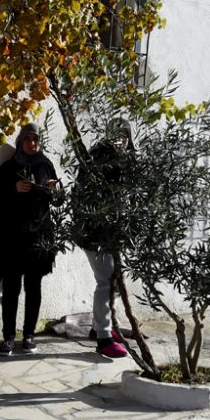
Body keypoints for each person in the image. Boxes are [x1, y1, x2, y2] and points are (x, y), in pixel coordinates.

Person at [0, 122, 62, 356]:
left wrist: (56, 190)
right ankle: (8, 336)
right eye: (28, 139)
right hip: (12, 237)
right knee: (11, 288)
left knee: (34, 286)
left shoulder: (45, 165)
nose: (32, 144)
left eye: (36, 140)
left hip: (38, 237)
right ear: (20, 142)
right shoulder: (8, 168)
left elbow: (57, 201)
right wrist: (13, 189)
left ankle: (29, 334)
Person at [73, 119, 133, 359]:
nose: (121, 139)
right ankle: (103, 338)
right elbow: (85, 197)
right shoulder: (98, 159)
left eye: (125, 135)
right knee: (107, 282)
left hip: (113, 234)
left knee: (114, 281)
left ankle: (101, 328)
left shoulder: (128, 161)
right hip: (95, 234)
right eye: (117, 135)